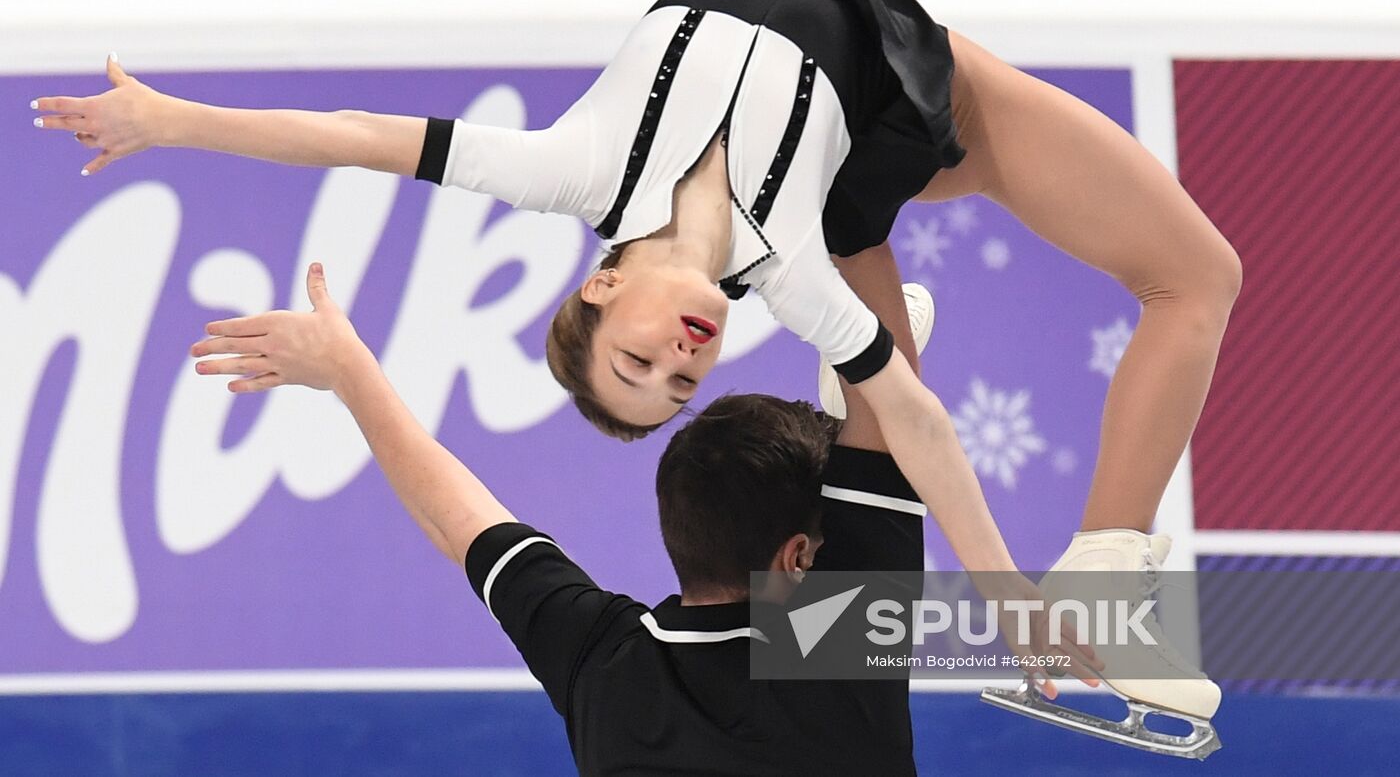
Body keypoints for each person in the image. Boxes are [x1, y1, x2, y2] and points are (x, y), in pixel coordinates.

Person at [33, 0, 1234, 749]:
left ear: (601, 283)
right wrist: (1011, 599)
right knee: (1096, 312)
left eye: (640, 357)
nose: (683, 358)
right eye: (681, 381)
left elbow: (358, 134)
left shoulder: (568, 168)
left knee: (1188, 279)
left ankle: (892, 376)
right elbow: (921, 426)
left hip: (894, 94)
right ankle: (1103, 568)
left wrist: (171, 119)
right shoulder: (784, 267)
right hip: (914, 101)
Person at [184, 257, 1097, 775]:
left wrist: (348, 370)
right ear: (795, 558)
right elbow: (892, 396)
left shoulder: (604, 659)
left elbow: (458, 518)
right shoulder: (838, 643)